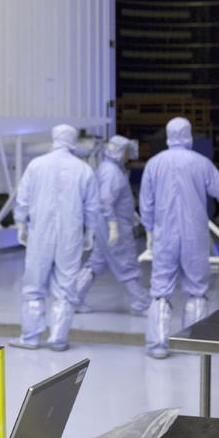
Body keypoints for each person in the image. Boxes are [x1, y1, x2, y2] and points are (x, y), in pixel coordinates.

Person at [138, 117, 219, 359]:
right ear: (189, 135)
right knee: (197, 290)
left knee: (160, 290)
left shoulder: (154, 164)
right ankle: (195, 343)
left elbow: (146, 204)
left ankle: (158, 345)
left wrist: (151, 229)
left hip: (164, 236)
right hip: (195, 238)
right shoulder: (200, 163)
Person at [12, 124, 101, 351]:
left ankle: (30, 338)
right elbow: (92, 207)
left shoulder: (36, 166)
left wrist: (21, 224)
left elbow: (22, 198)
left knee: (34, 285)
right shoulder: (83, 170)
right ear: (73, 140)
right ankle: (58, 339)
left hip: (39, 233)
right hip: (70, 236)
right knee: (65, 286)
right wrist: (89, 232)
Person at [75, 135, 149, 315]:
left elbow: (115, 199)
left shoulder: (109, 168)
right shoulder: (112, 172)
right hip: (114, 227)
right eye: (125, 152)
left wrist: (131, 214)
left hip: (107, 224)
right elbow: (106, 200)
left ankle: (74, 298)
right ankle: (141, 303)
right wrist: (114, 225)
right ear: (118, 152)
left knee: (96, 262)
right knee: (127, 263)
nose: (127, 156)